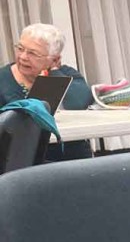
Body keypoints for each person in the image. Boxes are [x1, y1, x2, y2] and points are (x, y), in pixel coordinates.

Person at [1, 23, 95, 160]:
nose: (23, 57)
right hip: (21, 161)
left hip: (71, 157)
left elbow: (78, 102)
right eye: (20, 49)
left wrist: (54, 72)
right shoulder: (3, 79)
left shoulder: (67, 74)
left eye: (33, 53)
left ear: (55, 59)